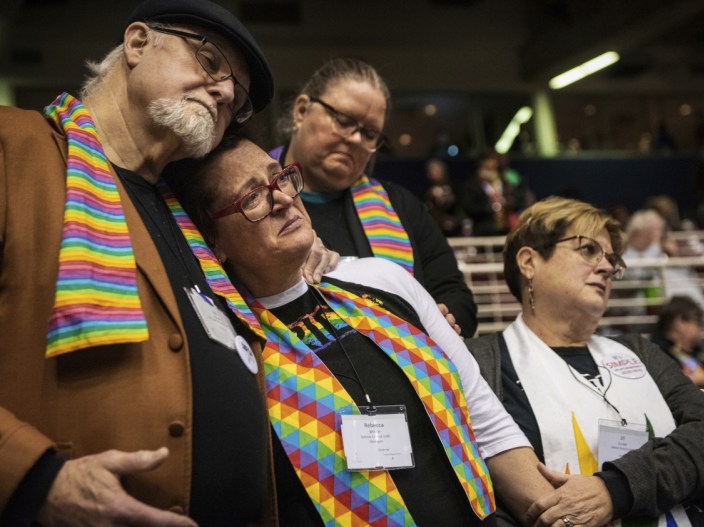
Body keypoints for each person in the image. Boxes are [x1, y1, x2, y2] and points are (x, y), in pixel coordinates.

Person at [164, 136, 594, 527]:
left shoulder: (382, 281)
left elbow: (482, 416)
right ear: (212, 240)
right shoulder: (229, 347)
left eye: (279, 179)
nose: (280, 199)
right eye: (252, 197)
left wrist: (557, 519)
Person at [0, 1, 286, 524]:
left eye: (237, 99)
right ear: (137, 43)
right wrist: (36, 480)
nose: (224, 92)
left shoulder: (187, 216)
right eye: (210, 61)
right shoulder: (13, 148)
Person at [467, 196, 704, 527]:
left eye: (613, 259)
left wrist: (616, 490)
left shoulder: (640, 352)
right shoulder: (485, 364)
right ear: (529, 261)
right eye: (588, 251)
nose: (608, 266)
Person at [268, 57, 478, 337]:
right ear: (302, 110)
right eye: (343, 121)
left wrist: (440, 319)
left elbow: (455, 294)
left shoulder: (401, 206)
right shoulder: (252, 196)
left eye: (369, 133)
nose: (355, 139)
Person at [651, 295, 704, 397]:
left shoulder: (698, 354)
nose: (701, 329)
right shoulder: (656, 353)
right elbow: (664, 384)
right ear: (679, 322)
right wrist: (702, 380)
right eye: (698, 323)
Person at [460, 151, 527, 236]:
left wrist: (508, 203)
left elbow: (518, 200)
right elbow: (468, 207)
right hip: (484, 232)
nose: (491, 172)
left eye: (494, 168)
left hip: (506, 230)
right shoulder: (472, 186)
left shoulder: (505, 183)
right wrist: (490, 207)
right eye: (487, 168)